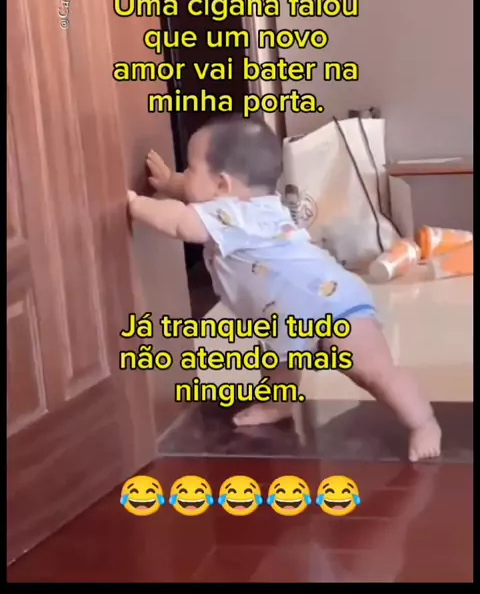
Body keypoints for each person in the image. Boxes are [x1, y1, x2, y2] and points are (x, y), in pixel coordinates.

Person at [127, 115, 441, 462]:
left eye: (189, 169)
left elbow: (181, 223)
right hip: (288, 314)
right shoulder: (252, 208)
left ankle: (423, 423)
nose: (184, 175)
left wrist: (135, 204)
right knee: (279, 358)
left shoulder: (233, 215)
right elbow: (198, 198)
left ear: (222, 185)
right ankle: (279, 403)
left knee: (373, 372)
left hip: (332, 306)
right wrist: (171, 183)